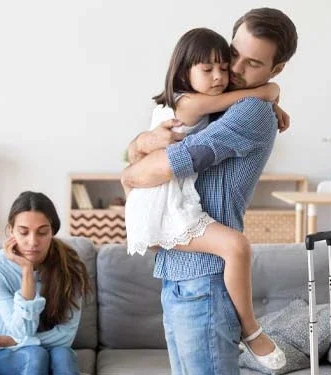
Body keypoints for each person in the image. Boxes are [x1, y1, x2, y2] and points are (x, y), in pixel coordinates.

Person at [122, 8, 298, 374]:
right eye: (233, 54)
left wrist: (132, 171)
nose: (232, 71)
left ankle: (253, 331)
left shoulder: (250, 111)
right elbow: (147, 149)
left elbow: (169, 163)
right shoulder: (218, 99)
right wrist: (140, 144)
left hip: (207, 279)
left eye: (253, 64)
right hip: (176, 273)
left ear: (275, 70)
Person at [0, 191, 93, 375]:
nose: (32, 242)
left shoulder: (71, 267)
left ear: (53, 231)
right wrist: (27, 270)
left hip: (11, 344)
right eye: (23, 232)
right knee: (35, 355)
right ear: (11, 230)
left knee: (63, 355)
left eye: (42, 232)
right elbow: (20, 331)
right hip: (6, 354)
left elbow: (66, 336)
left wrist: (4, 339)